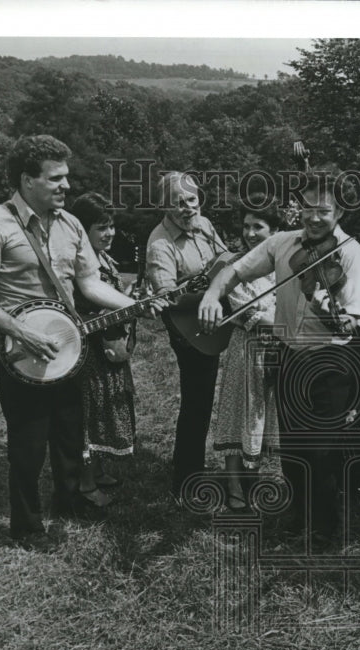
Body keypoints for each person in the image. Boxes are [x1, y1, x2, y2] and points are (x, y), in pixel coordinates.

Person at [0, 135, 162, 551]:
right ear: (26, 180)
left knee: (70, 430)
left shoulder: (69, 224)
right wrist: (21, 332)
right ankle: (27, 526)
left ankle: (68, 500)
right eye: (55, 178)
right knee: (28, 440)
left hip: (70, 344)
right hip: (21, 349)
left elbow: (87, 281)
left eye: (66, 177)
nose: (66, 186)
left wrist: (135, 305)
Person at [198, 177, 360, 549]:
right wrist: (213, 294)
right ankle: (300, 515)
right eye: (308, 208)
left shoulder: (351, 253)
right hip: (288, 354)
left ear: (339, 212)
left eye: (323, 211)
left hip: (330, 359)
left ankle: (326, 530)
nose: (314, 217)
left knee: (321, 450)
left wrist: (332, 313)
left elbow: (351, 319)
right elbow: (235, 270)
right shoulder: (281, 243)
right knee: (293, 449)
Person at [145, 172, 229, 504]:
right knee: (196, 403)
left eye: (192, 200)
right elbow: (168, 297)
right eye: (178, 203)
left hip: (214, 319)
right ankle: (186, 481)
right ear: (165, 206)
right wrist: (207, 289)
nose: (188, 208)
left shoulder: (205, 224)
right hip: (189, 329)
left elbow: (225, 260)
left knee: (203, 401)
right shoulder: (159, 243)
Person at [210, 198, 282, 510]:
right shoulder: (236, 268)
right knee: (240, 411)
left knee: (264, 414)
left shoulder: (286, 265)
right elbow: (252, 313)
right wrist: (288, 321)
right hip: (246, 350)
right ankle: (234, 485)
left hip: (277, 350)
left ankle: (254, 477)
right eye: (246, 226)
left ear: (275, 231)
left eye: (259, 227)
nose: (250, 233)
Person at [70, 192, 137, 507]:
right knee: (89, 415)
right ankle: (85, 484)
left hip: (107, 350)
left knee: (104, 411)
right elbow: (83, 308)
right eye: (101, 227)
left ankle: (97, 471)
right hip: (88, 354)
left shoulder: (105, 259)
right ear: (82, 230)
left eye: (111, 226)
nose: (109, 233)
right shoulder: (79, 266)